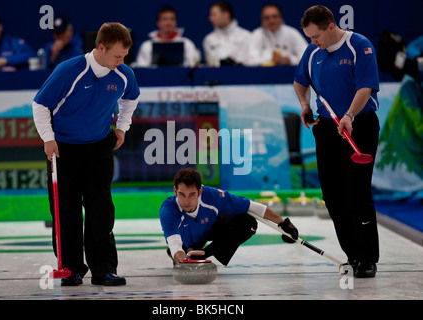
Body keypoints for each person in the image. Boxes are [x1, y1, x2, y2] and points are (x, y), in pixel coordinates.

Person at [32, 22, 140, 286]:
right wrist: (48, 138)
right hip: (64, 148)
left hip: (99, 146)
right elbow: (40, 104)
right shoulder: (69, 71)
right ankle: (70, 268)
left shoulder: (123, 74)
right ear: (100, 48)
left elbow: (131, 99)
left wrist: (122, 128)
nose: (121, 61)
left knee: (100, 207)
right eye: (117, 55)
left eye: (124, 56)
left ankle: (103, 268)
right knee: (65, 209)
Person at [293, 5, 380, 278]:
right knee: (333, 196)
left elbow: (365, 87)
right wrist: (305, 105)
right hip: (328, 129)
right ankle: (352, 255)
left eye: (315, 36)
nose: (312, 42)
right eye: (308, 37)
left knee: (357, 193)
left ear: (331, 27)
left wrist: (350, 115)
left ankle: (368, 258)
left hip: (359, 126)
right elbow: (299, 81)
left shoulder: (359, 46)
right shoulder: (312, 53)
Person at [159, 168, 299, 266]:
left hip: (209, 228)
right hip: (186, 242)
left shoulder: (213, 196)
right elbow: (174, 242)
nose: (187, 201)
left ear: (200, 191)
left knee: (248, 222)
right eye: (182, 194)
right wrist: (181, 259)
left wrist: (283, 223)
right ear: (175, 190)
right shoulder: (168, 210)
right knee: (180, 252)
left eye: (192, 195)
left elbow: (252, 206)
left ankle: (203, 254)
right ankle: (190, 251)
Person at [135, 5, 201, 67]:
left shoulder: (187, 43)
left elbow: (193, 67)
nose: (168, 22)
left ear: (176, 22)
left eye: (172, 19)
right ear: (158, 23)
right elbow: (142, 70)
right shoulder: (147, 46)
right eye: (164, 19)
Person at [202, 1, 251, 67]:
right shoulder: (208, 40)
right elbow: (211, 66)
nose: (210, 18)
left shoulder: (246, 36)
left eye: (214, 14)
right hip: (217, 77)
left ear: (226, 15)